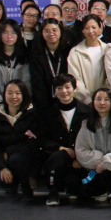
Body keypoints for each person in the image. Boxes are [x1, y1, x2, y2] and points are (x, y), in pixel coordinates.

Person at [74, 88, 111, 203]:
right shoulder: (87, 124)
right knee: (83, 189)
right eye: (98, 99)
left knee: (108, 176)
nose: (102, 103)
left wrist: (105, 164)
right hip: (95, 167)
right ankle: (102, 191)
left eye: (106, 99)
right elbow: (81, 149)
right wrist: (98, 160)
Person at [40, 74, 92, 205]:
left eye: (67, 87)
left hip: (80, 157)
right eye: (59, 88)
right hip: (56, 157)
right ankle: (53, 192)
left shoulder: (86, 112)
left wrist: (79, 157)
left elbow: (91, 139)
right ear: (54, 91)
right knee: (58, 156)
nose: (64, 91)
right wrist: (60, 148)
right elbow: (42, 139)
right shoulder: (48, 113)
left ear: (74, 88)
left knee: (74, 183)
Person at [0, 20, 31, 116]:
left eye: (13, 33)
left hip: (21, 106)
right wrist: (1, 104)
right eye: (5, 32)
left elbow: (27, 82)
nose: (9, 36)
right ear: (0, 34)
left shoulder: (25, 56)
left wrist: (18, 100)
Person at [67, 15, 108, 104]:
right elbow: (75, 79)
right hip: (83, 102)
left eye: (94, 27)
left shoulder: (108, 50)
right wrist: (87, 100)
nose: (90, 31)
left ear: (100, 28)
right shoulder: (75, 52)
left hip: (105, 101)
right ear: (82, 30)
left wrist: (102, 98)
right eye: (86, 28)